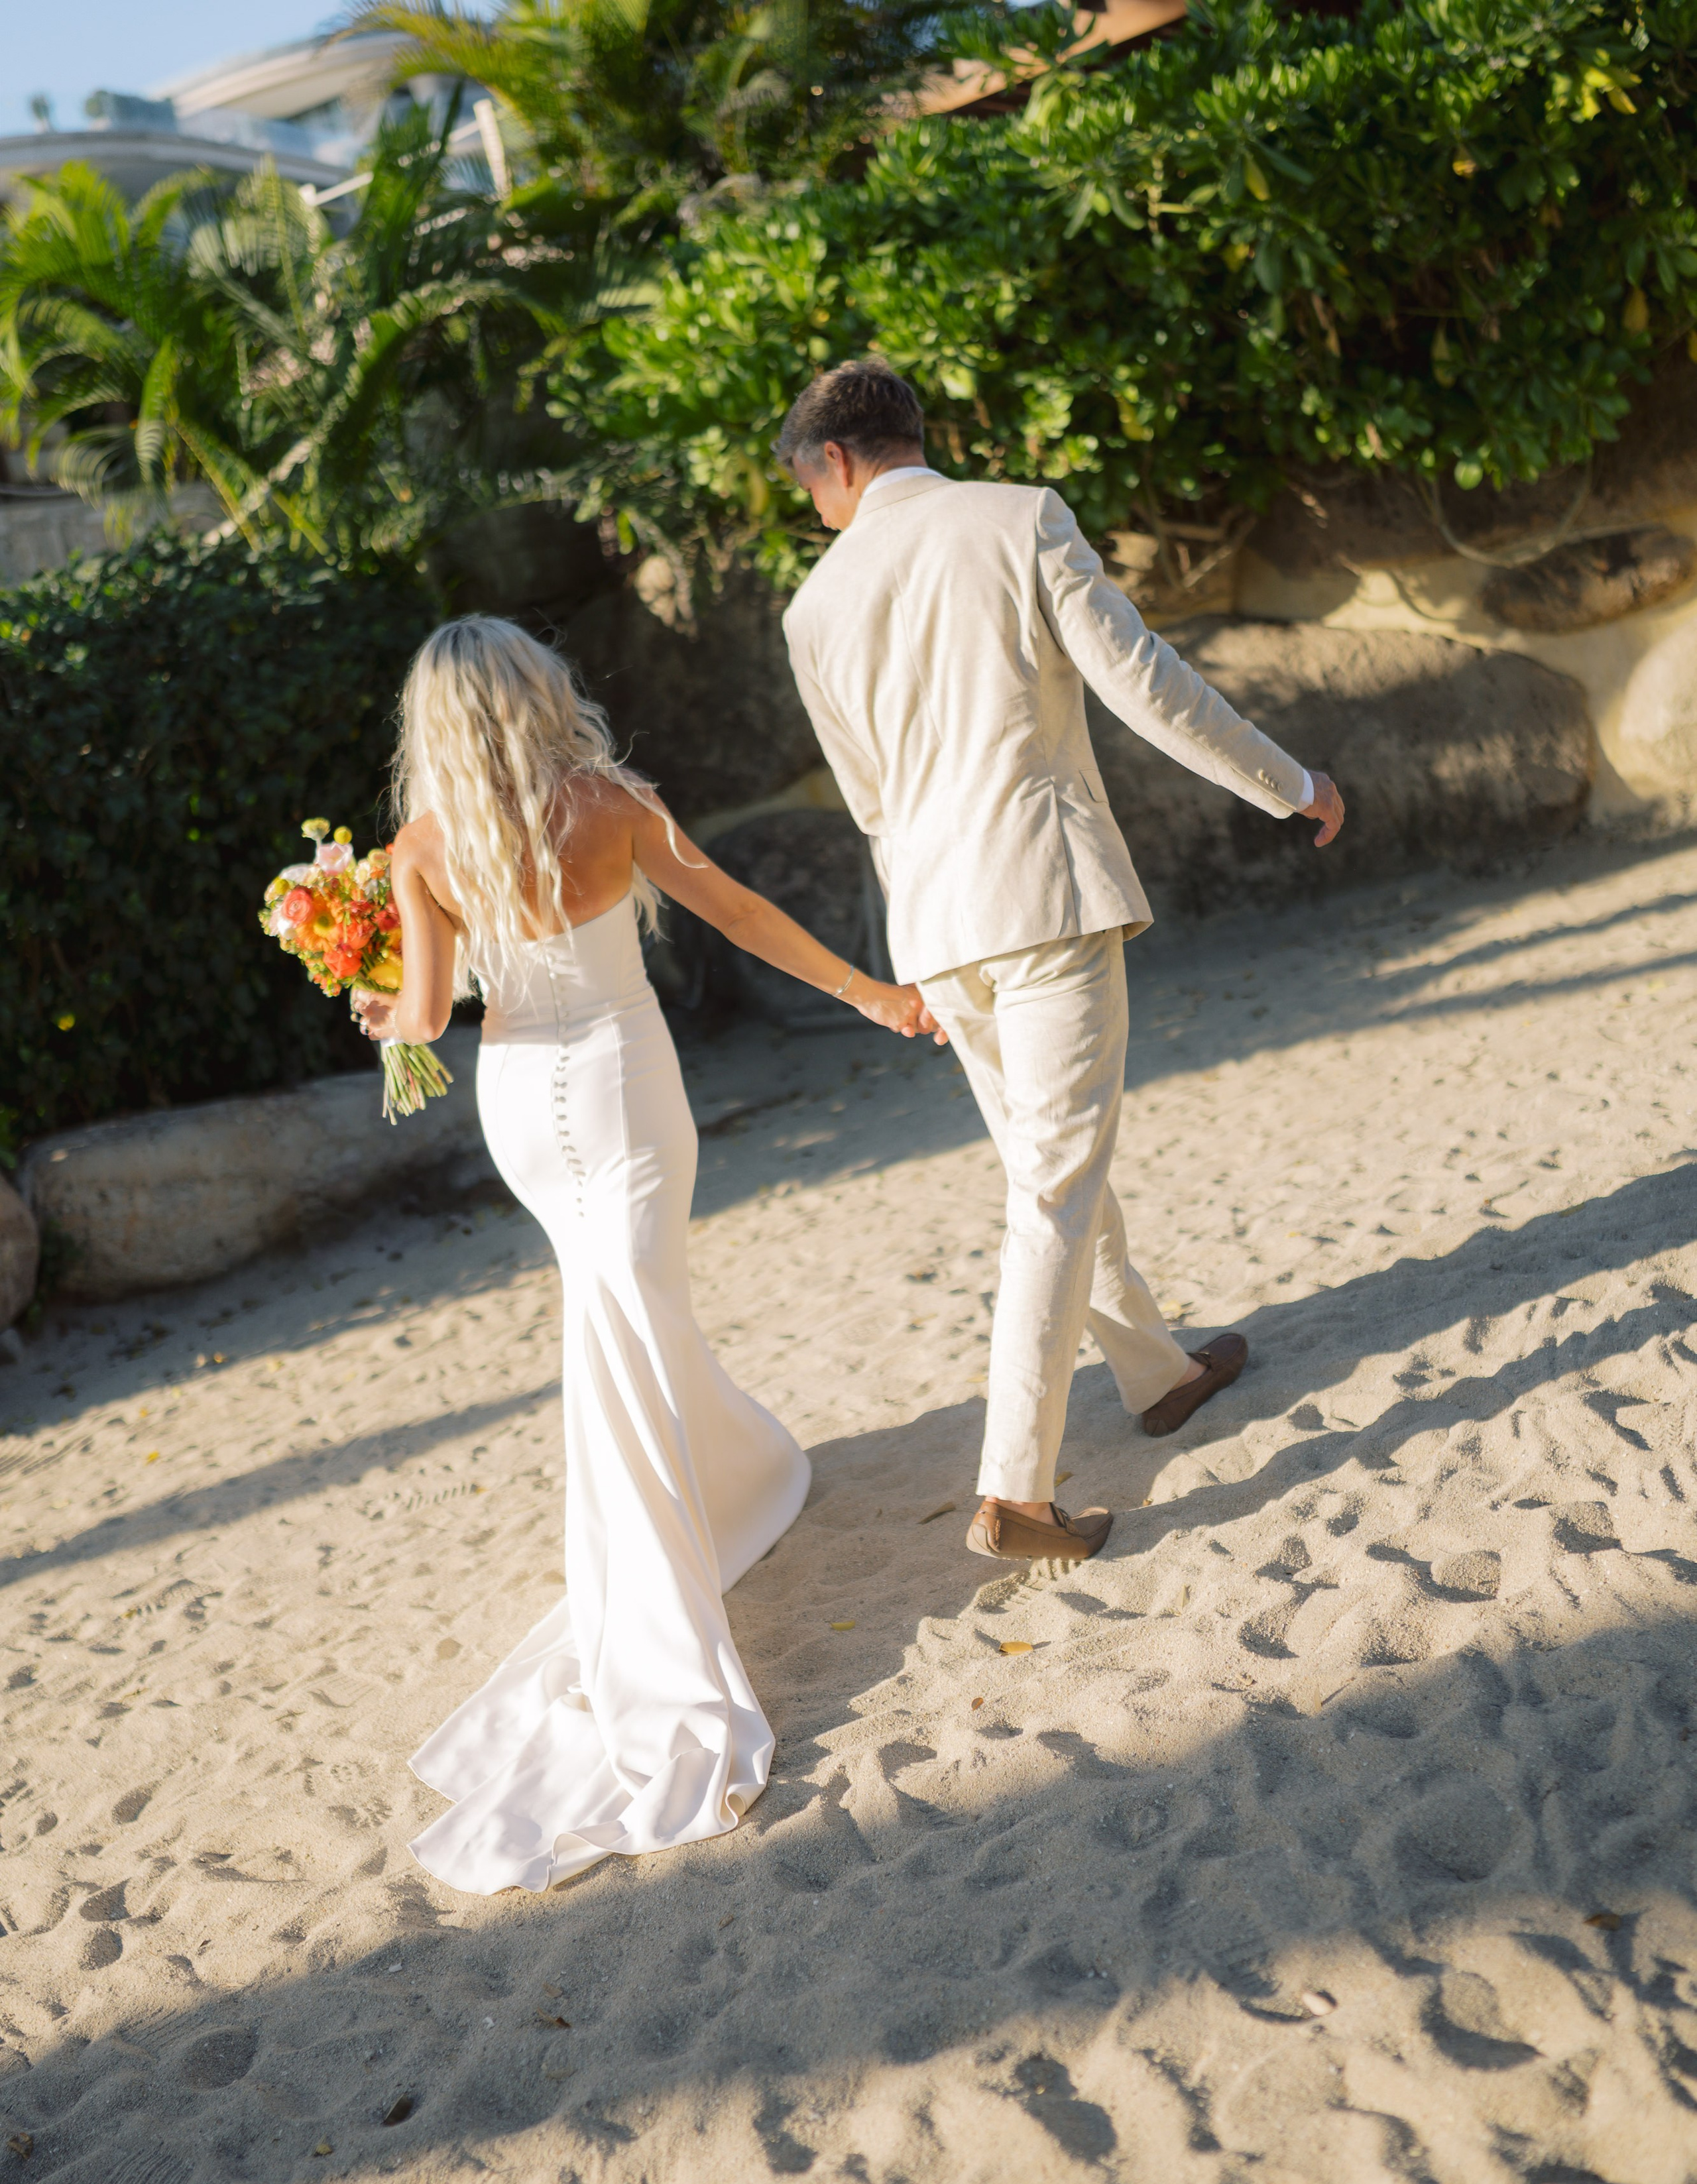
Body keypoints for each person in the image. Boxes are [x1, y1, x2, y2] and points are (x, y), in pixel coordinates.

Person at [353, 615, 938, 1893]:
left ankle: (717, 1485)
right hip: (621, 1084)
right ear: (534, 692)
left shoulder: (426, 847)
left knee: (621, 1317)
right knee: (629, 1307)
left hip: (521, 1099)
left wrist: (374, 1010)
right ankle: (669, 1562)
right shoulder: (609, 804)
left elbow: (433, 1015)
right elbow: (736, 912)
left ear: (437, 724)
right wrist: (870, 991)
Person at [778, 360, 1346, 1566]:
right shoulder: (1018, 514)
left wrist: (920, 950)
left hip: (935, 925)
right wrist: (1290, 783)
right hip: (1042, 892)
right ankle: (1017, 1495)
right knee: (1054, 1185)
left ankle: (1159, 1373)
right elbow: (1144, 683)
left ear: (835, 459)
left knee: (1056, 1163)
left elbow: (870, 803)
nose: (810, 507)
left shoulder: (810, 608)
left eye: (805, 482)